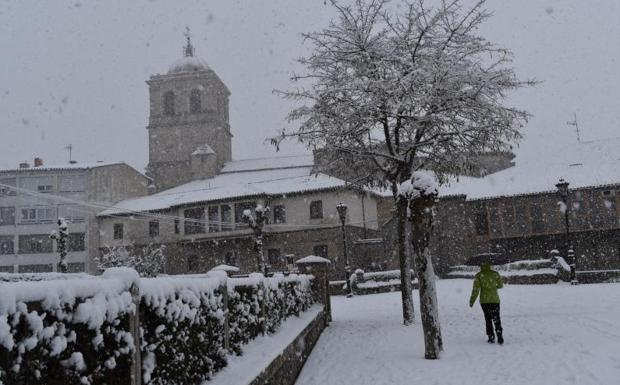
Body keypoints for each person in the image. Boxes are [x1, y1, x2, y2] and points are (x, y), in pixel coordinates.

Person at [469, 262, 504, 344]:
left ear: (481, 265)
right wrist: (493, 287)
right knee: (497, 318)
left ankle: (491, 336)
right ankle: (499, 335)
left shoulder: (479, 275)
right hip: (495, 299)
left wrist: (472, 301)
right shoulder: (495, 274)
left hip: (484, 301)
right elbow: (500, 286)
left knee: (488, 319)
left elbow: (476, 290)